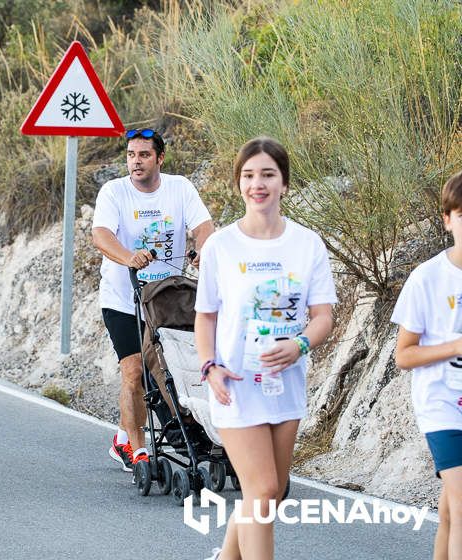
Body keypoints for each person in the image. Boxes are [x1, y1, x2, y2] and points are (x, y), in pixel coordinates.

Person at [195, 137, 336, 560]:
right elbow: (206, 316)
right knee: (262, 489)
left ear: (284, 184)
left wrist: (300, 345)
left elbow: (323, 315)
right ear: (239, 184)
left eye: (268, 175)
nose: (258, 184)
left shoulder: (307, 244)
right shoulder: (220, 246)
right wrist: (209, 366)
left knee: (268, 495)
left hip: (286, 384)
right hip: (235, 384)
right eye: (249, 175)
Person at [91, 128, 215, 473]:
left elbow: (203, 225)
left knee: (169, 370)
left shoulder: (180, 188)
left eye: (144, 155)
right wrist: (129, 256)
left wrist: (203, 250)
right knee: (134, 372)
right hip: (123, 298)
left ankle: (124, 434)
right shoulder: (114, 192)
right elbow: (100, 235)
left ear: (160, 158)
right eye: (131, 155)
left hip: (166, 298)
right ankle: (138, 448)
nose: (136, 161)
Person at [391, 171, 462, 560]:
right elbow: (404, 354)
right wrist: (455, 345)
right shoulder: (427, 278)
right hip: (442, 403)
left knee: (452, 509)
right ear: (448, 220)